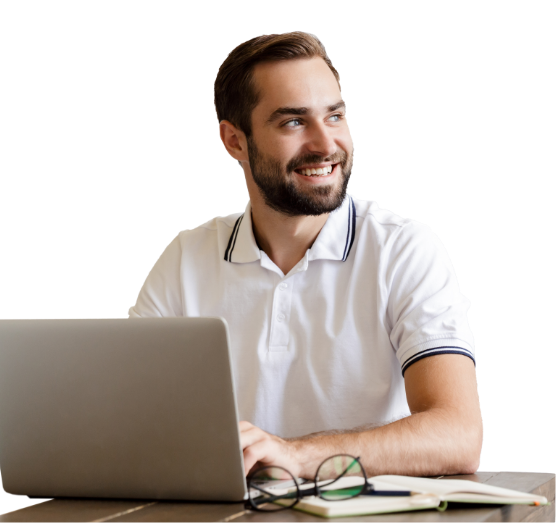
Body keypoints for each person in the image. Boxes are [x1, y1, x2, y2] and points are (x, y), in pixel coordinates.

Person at [128, 31, 483, 481]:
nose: (325, 144)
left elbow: (458, 435)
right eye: (293, 122)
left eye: (334, 116)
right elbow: (129, 418)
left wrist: (295, 455)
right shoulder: (185, 260)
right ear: (234, 141)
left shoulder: (404, 250)